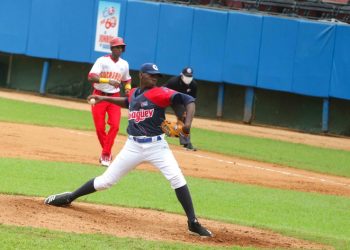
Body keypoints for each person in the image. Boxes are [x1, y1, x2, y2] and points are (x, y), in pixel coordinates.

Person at [44, 63, 213, 238]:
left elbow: (189, 101)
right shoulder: (134, 93)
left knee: (177, 178)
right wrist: (104, 99)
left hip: (157, 147)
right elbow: (127, 102)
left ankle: (192, 222)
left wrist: (187, 124)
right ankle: (70, 197)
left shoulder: (160, 92)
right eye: (151, 75)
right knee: (106, 181)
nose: (155, 78)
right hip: (132, 147)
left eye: (156, 76)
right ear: (141, 75)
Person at [87, 37, 132, 167]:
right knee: (100, 128)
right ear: (112, 48)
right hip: (99, 96)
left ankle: (106, 154)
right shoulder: (102, 61)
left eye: (121, 47)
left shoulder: (124, 64)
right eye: (117, 47)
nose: (119, 49)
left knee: (115, 126)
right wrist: (107, 81)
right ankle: (107, 152)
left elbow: (127, 79)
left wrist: (128, 89)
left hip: (114, 98)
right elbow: (91, 77)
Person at [165, 67, 197, 151]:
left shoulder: (193, 85)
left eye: (190, 76)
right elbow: (163, 91)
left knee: (185, 118)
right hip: (166, 98)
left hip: (178, 102)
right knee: (157, 113)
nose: (188, 78)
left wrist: (187, 111)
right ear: (181, 75)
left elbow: (192, 100)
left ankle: (186, 143)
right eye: (186, 76)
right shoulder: (173, 82)